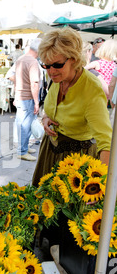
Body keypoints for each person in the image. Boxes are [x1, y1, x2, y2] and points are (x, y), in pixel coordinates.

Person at [32, 26, 112, 188]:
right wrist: (47, 118)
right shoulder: (57, 77)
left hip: (76, 161)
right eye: (46, 65)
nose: (51, 71)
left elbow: (106, 144)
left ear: (74, 59)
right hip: (49, 150)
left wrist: (99, 185)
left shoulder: (91, 89)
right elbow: (51, 107)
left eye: (57, 65)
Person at [9, 38, 42, 161]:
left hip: (21, 96)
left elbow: (16, 79)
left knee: (23, 124)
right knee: (25, 125)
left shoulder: (21, 59)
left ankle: (24, 148)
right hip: (27, 97)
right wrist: (37, 102)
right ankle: (22, 151)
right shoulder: (32, 62)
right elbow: (34, 83)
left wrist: (17, 95)